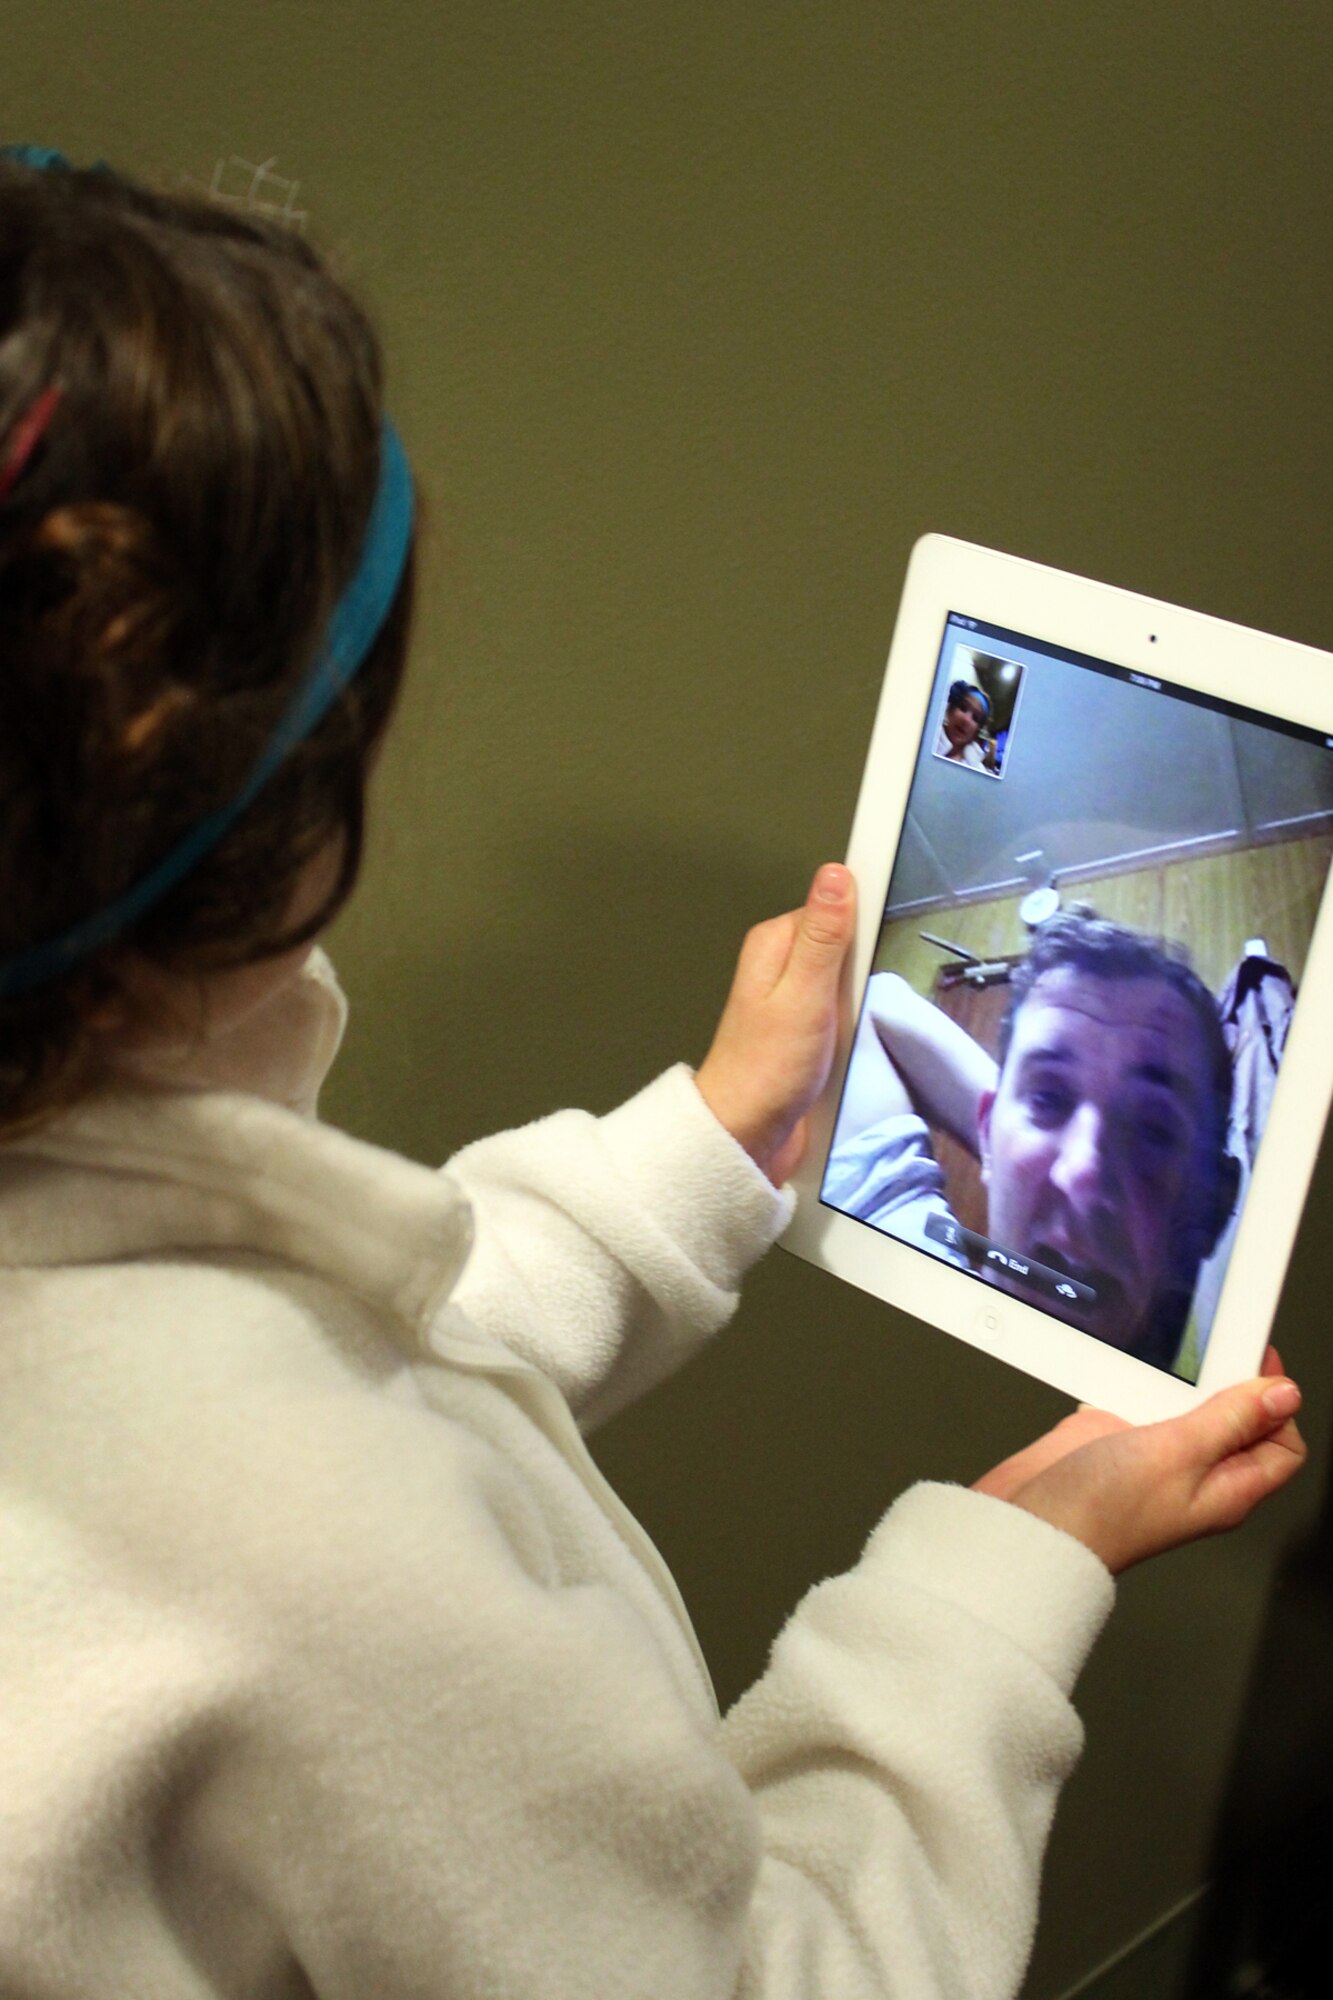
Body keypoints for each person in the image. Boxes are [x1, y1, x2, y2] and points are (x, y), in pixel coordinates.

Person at [0, 150, 1305, 2000]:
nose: (1073, 1150)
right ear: (289, 826)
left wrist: (701, 1139)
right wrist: (1004, 1565)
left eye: (1155, 1113)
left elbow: (334, 1364)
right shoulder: (316, 1572)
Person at [826, 914, 1242, 1371]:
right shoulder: (904, 1269)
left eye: (1152, 1130)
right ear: (985, 1129)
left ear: (1210, 1210)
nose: (1081, 1172)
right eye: (1048, 1096)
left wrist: (1022, 1130)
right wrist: (1003, 1138)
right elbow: (872, 1001)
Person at [933, 677, 991, 769]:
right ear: (950, 709)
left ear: (977, 731)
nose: (966, 720)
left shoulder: (977, 770)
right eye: (963, 708)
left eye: (975, 718)